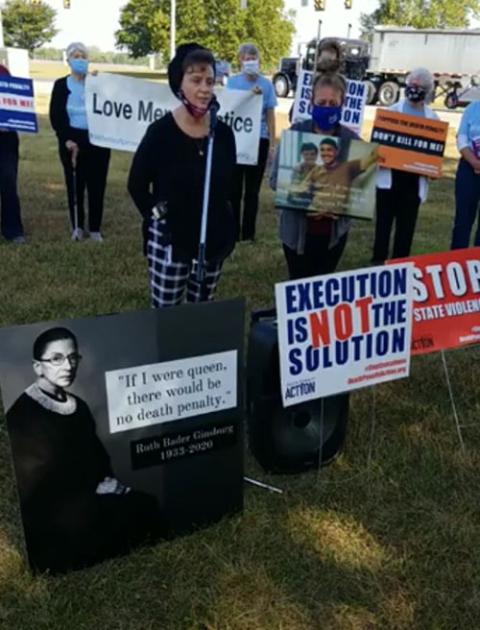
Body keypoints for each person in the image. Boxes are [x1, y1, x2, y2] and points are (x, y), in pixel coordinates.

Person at [7, 327, 160, 573]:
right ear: (38, 367)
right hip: (50, 508)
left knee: (145, 504)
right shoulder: (23, 415)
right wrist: (90, 491)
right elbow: (33, 482)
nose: (67, 366)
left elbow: (97, 457)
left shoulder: (79, 407)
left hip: (89, 494)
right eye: (56, 359)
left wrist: (111, 485)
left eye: (72, 357)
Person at [128, 43, 236, 308]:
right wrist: (159, 216)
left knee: (200, 314)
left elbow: (230, 187)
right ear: (180, 84)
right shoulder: (160, 132)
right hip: (171, 242)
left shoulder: (223, 134)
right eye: (196, 80)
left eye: (210, 81)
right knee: (167, 317)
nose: (204, 89)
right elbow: (137, 184)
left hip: (212, 241)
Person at [271, 72, 365, 280]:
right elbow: (275, 179)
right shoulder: (295, 134)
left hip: (333, 234)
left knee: (323, 285)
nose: (327, 106)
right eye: (322, 102)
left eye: (333, 102)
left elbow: (360, 193)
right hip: (296, 232)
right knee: (297, 282)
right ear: (312, 102)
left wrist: (339, 209)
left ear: (343, 103)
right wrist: (304, 201)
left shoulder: (353, 143)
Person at [373, 67, 439, 263]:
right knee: (383, 225)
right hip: (390, 177)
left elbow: (434, 154)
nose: (413, 89)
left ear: (426, 90)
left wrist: (433, 168)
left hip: (413, 181)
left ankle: (400, 264)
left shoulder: (433, 118)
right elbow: (377, 147)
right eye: (411, 85)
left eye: (418, 87)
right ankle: (378, 261)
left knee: (406, 227)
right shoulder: (390, 113)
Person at [49, 42, 111, 242]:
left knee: (97, 186)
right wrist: (66, 139)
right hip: (72, 141)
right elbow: (56, 116)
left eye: (83, 56)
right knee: (75, 185)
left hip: (97, 141)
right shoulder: (60, 85)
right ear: (68, 60)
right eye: (75, 56)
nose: (80, 59)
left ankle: (94, 228)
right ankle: (77, 226)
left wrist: (102, 82)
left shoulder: (96, 83)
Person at [227, 43, 277, 242]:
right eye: (247, 58)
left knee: (252, 191)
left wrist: (273, 142)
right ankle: (232, 232)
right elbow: (229, 108)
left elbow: (271, 114)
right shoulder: (232, 83)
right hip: (238, 141)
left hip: (260, 141)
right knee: (234, 190)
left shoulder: (266, 85)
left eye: (253, 58)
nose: (250, 62)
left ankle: (248, 234)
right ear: (240, 60)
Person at [294, 137, 377, 214]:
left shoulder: (347, 167)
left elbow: (372, 157)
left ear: (336, 152)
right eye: (322, 150)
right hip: (313, 210)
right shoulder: (316, 170)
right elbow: (301, 188)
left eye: (329, 150)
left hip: (335, 216)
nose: (325, 153)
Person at [0, 63, 25, 244]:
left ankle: (13, 230)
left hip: (5, 137)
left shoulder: (3, 72)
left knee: (8, 180)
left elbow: (13, 102)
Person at [450, 99, 480, 249]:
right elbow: (462, 138)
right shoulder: (472, 108)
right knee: (463, 219)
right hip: (468, 168)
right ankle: (456, 261)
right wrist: (474, 162)